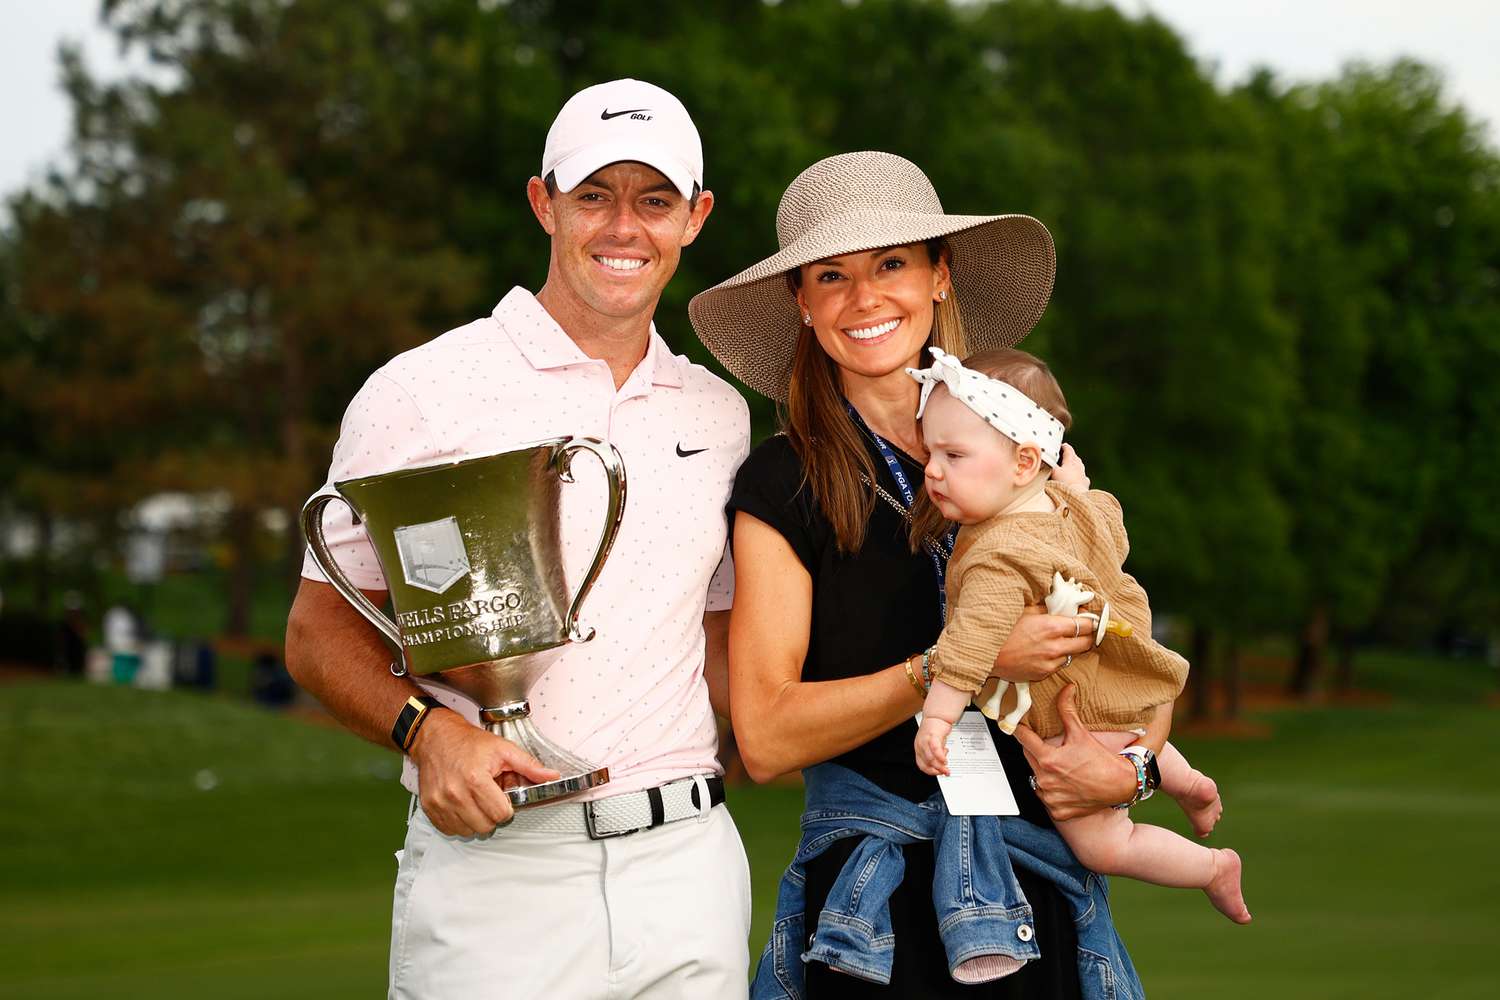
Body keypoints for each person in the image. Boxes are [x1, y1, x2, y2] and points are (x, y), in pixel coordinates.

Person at [285, 78, 753, 998]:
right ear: (544, 203)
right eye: (594, 196)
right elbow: (316, 631)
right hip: (499, 871)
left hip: (689, 869)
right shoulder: (420, 390)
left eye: (654, 200)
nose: (625, 227)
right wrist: (426, 735)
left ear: (695, 218)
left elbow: (722, 643)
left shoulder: (721, 413)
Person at [690, 151, 1145, 998]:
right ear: (804, 304)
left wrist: (1135, 770)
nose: (865, 298)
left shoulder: (1029, 452)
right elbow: (766, 735)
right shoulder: (783, 482)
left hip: (1041, 897)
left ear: (940, 276)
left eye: (892, 263)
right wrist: (956, 665)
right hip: (876, 918)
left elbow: (1122, 651)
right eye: (832, 276)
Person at [908, 345, 1251, 925]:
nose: (934, 471)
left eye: (954, 455)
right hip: (1118, 693)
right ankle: (1189, 783)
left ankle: (1212, 866)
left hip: (1075, 723)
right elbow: (1112, 530)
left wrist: (938, 719)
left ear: (1022, 463)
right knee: (1133, 739)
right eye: (930, 453)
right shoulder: (1071, 508)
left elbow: (967, 650)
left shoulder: (997, 554)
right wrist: (1071, 484)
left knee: (1104, 847)